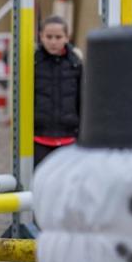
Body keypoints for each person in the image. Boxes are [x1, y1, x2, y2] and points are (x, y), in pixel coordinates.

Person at [33, 16, 82, 169]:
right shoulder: (32, 62)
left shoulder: (76, 64)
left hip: (69, 136)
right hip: (38, 136)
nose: (53, 42)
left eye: (58, 37)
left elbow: (83, 98)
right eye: (48, 37)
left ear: (67, 38)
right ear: (40, 36)